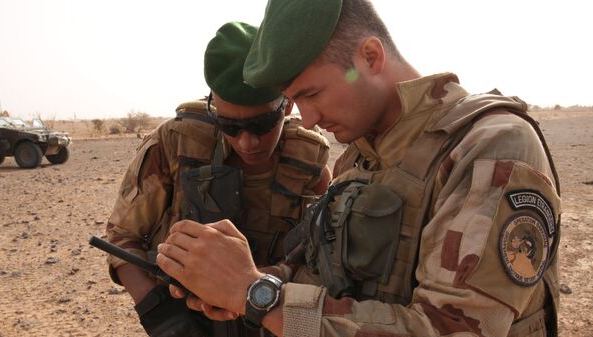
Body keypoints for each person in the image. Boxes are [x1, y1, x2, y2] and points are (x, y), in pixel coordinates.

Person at [156, 1, 562, 336]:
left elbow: (452, 329)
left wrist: (256, 293)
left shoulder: (490, 145)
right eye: (296, 101)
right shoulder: (357, 158)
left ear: (370, 56)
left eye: (312, 94)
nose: (309, 120)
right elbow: (320, 273)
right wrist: (230, 277)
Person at [105, 21, 331, 337]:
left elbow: (323, 252)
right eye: (229, 125)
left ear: (287, 105)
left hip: (269, 317)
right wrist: (161, 315)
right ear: (213, 106)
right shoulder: (175, 143)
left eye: (262, 123)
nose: (247, 143)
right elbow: (121, 237)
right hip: (188, 319)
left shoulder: (308, 159)